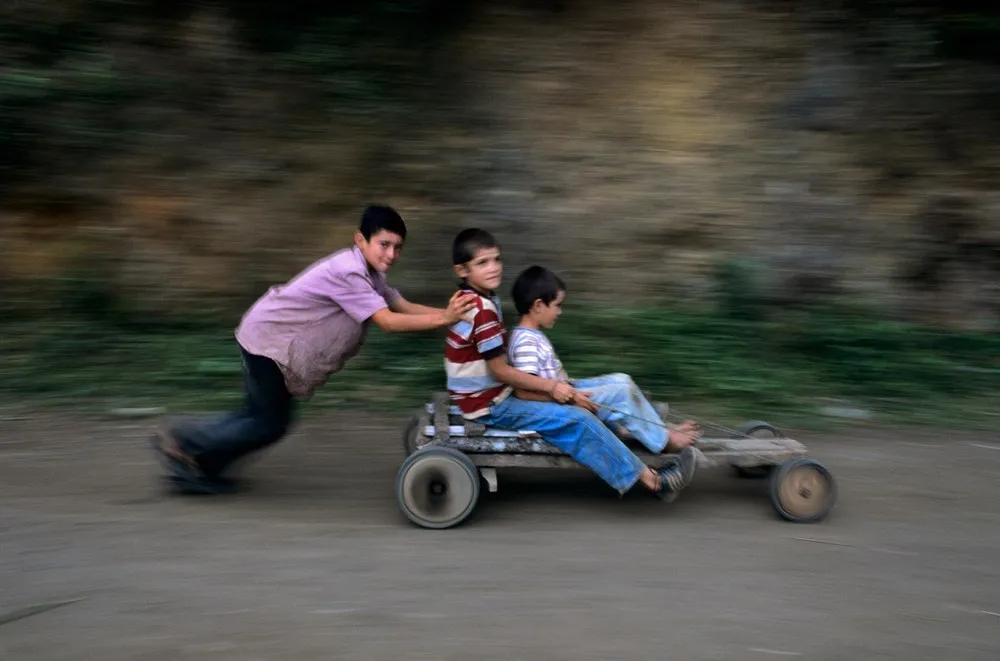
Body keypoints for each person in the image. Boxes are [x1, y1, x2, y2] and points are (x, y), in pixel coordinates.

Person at [150, 205, 477, 494]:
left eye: (398, 247)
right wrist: (443, 318)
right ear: (360, 241)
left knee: (258, 418)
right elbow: (388, 321)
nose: (391, 254)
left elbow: (402, 305)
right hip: (270, 342)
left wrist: (450, 316)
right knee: (266, 423)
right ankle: (183, 442)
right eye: (384, 244)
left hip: (271, 341)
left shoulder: (371, 275)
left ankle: (197, 468)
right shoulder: (349, 272)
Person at [443, 228, 698, 501]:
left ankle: (658, 435)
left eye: (496, 259)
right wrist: (555, 389)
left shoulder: (477, 299)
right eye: (483, 262)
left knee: (619, 383)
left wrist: (561, 388)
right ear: (462, 270)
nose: (493, 268)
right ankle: (655, 481)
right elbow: (500, 371)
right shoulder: (481, 311)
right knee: (579, 420)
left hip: (493, 394)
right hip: (490, 406)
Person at [507, 264, 700, 455]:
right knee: (622, 393)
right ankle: (664, 441)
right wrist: (572, 398)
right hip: (554, 410)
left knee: (621, 380)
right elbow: (524, 391)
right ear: (538, 305)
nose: (560, 312)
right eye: (557, 305)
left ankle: (657, 429)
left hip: (562, 396)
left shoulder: (531, 335)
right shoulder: (526, 342)